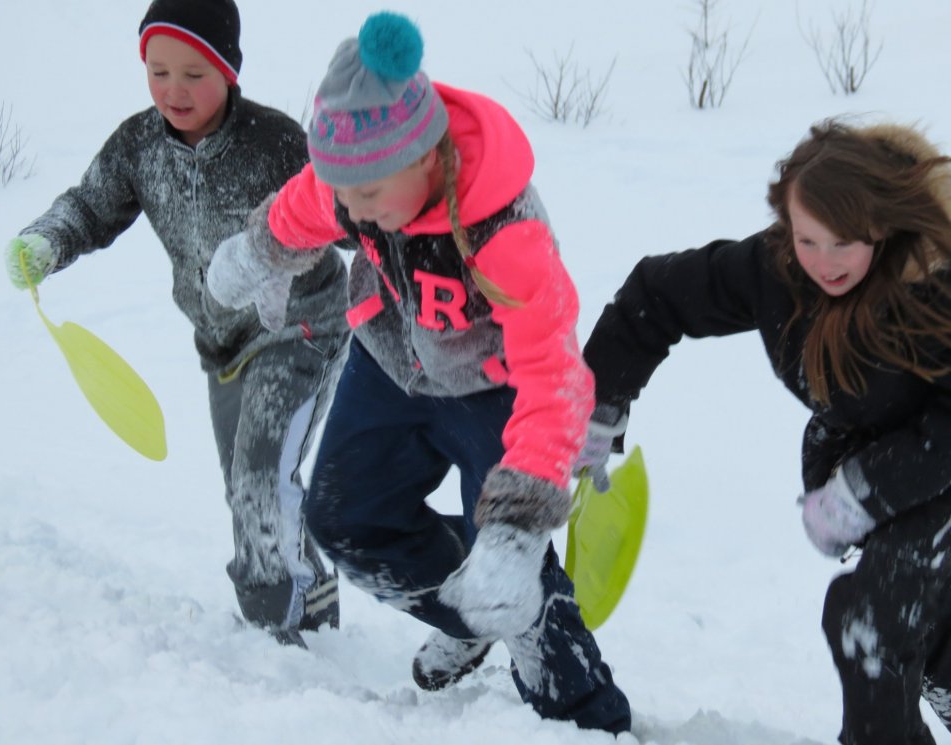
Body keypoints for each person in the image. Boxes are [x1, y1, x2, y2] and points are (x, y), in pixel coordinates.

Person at [206, 10, 632, 735]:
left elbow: (554, 374)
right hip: (388, 363)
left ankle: (587, 719)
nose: (351, 208)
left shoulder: (504, 231)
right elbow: (306, 206)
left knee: (512, 570)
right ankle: (467, 612)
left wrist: (517, 528)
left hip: (494, 391)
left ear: (427, 155)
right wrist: (254, 256)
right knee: (346, 519)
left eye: (366, 194)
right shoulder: (359, 179)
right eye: (345, 191)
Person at [577, 120, 951, 745]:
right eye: (808, 239)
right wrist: (600, 407)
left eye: (844, 243)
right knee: (912, 630)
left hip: (935, 468)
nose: (823, 262)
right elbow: (657, 298)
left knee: (871, 621)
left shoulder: (928, 290)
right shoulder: (776, 269)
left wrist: (863, 492)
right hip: (870, 461)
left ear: (880, 228)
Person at [3, 0, 350, 649]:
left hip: (305, 325)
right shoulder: (138, 146)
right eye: (158, 71)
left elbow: (342, 205)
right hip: (223, 344)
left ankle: (273, 629)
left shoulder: (273, 141)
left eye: (193, 73)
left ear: (227, 70)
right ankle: (314, 598)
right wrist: (48, 242)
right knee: (252, 483)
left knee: (259, 477)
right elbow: (91, 205)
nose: (174, 90)